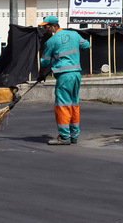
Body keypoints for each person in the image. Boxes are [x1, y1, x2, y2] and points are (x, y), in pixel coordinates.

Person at [37, 15, 90, 145]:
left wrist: (41, 75)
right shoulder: (75, 35)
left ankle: (64, 137)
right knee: (74, 104)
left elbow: (44, 62)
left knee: (62, 105)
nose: (45, 30)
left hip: (64, 76)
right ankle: (74, 135)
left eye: (46, 27)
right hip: (76, 75)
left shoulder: (51, 41)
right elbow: (86, 46)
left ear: (54, 26)